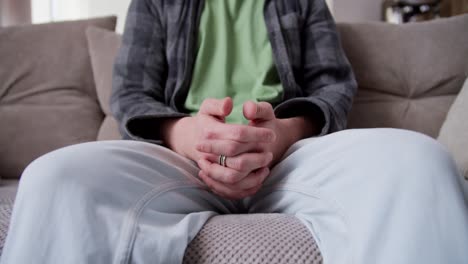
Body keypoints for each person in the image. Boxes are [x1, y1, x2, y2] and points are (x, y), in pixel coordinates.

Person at [2, 0, 468, 263]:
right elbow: (131, 97)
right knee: (53, 177)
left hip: (291, 155)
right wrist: (187, 134)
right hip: (178, 156)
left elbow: (333, 86)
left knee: (418, 163)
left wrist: (281, 133)